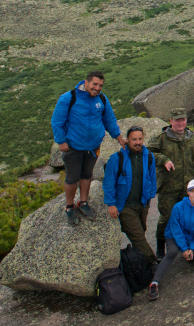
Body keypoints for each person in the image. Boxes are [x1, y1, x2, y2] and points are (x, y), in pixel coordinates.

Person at [51, 70, 126, 226]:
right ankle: (70, 206)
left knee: (87, 175)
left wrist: (119, 139)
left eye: (101, 85)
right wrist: (61, 141)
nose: (98, 88)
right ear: (86, 83)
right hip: (74, 146)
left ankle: (83, 202)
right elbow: (57, 121)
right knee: (72, 177)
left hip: (93, 146)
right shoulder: (68, 98)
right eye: (95, 84)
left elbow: (109, 120)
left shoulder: (102, 100)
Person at [146, 108, 194, 261]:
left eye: (183, 119)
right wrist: (163, 159)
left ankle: (185, 245)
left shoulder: (191, 137)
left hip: (188, 187)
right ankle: (160, 248)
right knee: (166, 217)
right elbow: (147, 153)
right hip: (169, 186)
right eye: (177, 120)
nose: (180, 123)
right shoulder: (162, 138)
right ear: (170, 121)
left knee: (187, 216)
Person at [103, 126, 157, 265]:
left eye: (140, 139)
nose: (137, 142)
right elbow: (108, 182)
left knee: (141, 233)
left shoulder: (149, 156)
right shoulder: (117, 159)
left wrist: (150, 195)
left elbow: (152, 177)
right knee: (138, 237)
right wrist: (111, 204)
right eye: (134, 139)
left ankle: (139, 263)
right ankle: (153, 263)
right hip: (125, 206)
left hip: (142, 203)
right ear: (127, 140)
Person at [148, 179, 194, 301]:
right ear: (188, 192)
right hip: (173, 234)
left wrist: (192, 248)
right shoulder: (178, 207)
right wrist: (184, 248)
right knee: (172, 252)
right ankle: (155, 282)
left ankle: (187, 255)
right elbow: (175, 229)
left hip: (190, 236)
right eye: (192, 191)